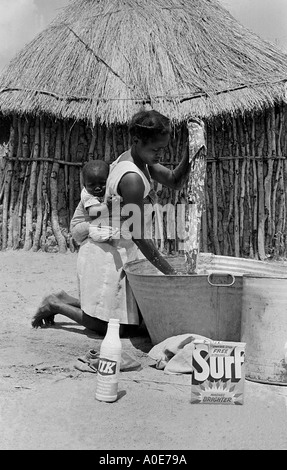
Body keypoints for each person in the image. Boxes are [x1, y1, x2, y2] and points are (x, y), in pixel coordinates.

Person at [31, 110, 193, 336]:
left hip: (121, 249)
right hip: (107, 254)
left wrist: (191, 152)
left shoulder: (139, 161)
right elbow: (137, 233)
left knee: (127, 319)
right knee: (111, 327)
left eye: (163, 148)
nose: (159, 154)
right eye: (155, 149)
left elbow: (175, 180)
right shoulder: (132, 178)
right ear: (137, 142)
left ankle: (64, 299)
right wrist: (170, 272)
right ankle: (54, 305)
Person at [71, 160, 119, 245]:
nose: (97, 188)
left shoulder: (109, 190)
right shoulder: (86, 194)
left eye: (102, 183)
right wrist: (108, 205)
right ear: (84, 185)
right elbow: (93, 214)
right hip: (79, 228)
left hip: (94, 223)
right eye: (91, 185)